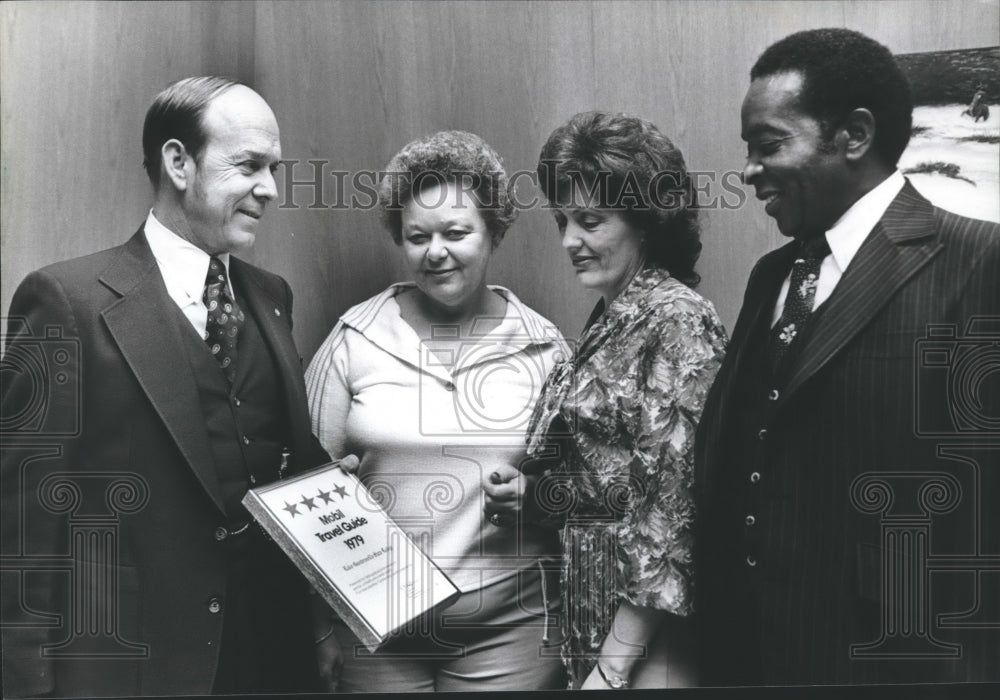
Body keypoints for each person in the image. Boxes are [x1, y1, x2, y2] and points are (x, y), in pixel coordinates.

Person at [0, 76, 332, 697]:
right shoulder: (64, 301)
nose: (270, 189)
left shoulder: (272, 296)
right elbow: (21, 525)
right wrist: (24, 685)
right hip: (133, 665)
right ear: (179, 162)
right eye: (250, 166)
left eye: (275, 168)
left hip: (270, 655)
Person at [695, 28, 1000, 686]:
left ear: (854, 136)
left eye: (769, 144)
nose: (749, 171)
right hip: (747, 657)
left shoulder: (979, 261)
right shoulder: (770, 275)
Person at [304, 130, 569, 692]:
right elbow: (301, 489)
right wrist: (318, 627)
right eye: (417, 236)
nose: (435, 251)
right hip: (373, 625)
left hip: (510, 626)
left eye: (456, 232)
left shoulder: (544, 347)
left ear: (494, 231)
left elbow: (584, 490)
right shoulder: (355, 336)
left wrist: (538, 496)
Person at [524, 111, 727, 689]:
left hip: (648, 639)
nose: (569, 241)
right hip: (595, 613)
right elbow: (603, 472)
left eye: (590, 221)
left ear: (646, 222)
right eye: (563, 220)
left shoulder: (677, 320)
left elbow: (672, 510)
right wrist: (535, 493)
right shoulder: (613, 313)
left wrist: (613, 668)